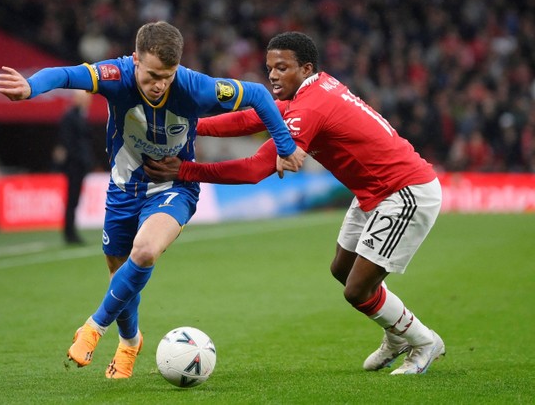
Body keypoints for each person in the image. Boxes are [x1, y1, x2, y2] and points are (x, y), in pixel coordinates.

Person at [0, 21, 306, 379]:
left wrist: (285, 145)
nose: (160, 84)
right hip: (123, 190)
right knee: (119, 273)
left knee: (143, 252)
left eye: (168, 76)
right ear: (135, 60)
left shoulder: (194, 87)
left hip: (173, 186)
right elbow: (66, 74)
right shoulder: (115, 75)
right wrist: (31, 86)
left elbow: (256, 94)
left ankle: (93, 328)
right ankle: (130, 342)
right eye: (153, 75)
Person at [144, 31, 445, 375]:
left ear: (305, 68)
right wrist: (193, 126)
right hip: (373, 192)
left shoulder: (311, 106)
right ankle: (396, 334)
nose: (272, 75)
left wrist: (184, 170)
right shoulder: (313, 90)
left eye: (282, 67)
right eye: (270, 67)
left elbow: (255, 169)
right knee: (341, 270)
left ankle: (423, 341)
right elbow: (251, 118)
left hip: (403, 193)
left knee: (357, 289)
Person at [58, 90, 94, 244]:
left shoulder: (80, 116)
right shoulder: (70, 117)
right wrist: (81, 160)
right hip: (74, 166)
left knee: (75, 200)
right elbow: (69, 143)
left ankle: (71, 232)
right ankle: (69, 234)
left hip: (79, 165)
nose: (88, 101)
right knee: (72, 200)